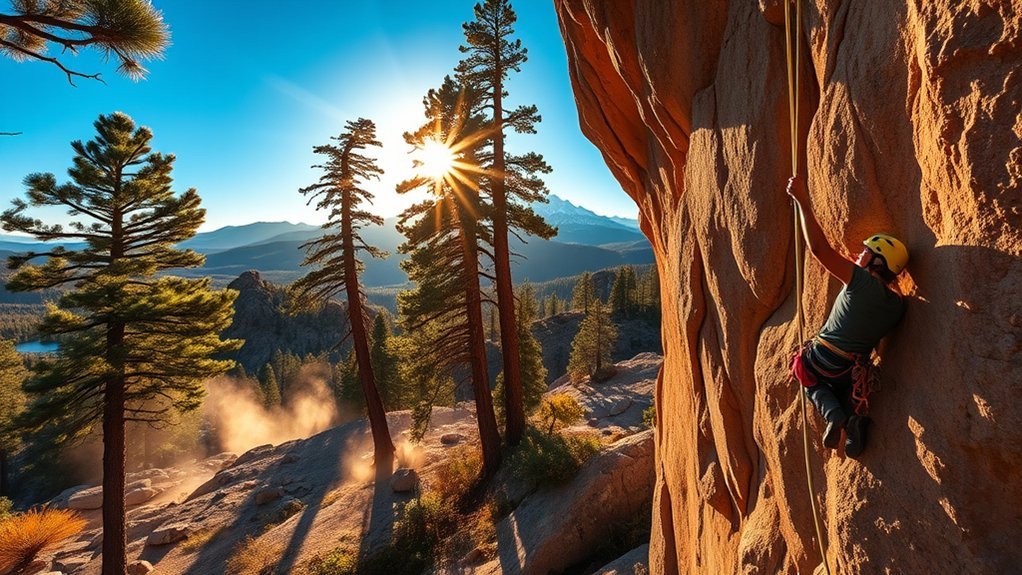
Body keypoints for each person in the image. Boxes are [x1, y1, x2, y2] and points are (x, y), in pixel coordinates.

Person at [786, 175, 908, 458]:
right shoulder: (897, 305)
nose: (858, 255)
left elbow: (819, 250)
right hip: (850, 372)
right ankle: (853, 419)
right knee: (840, 388)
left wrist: (803, 202)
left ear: (877, 261)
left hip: (823, 360)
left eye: (865, 252)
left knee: (802, 370)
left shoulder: (860, 283)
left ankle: (833, 415)